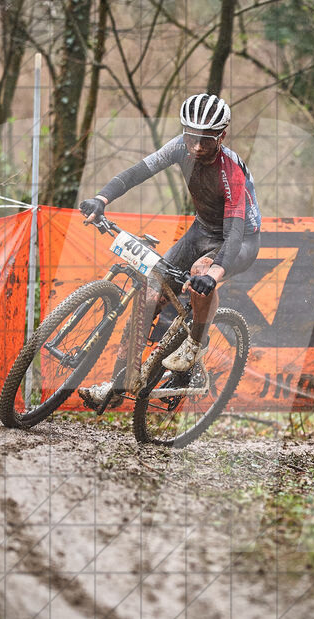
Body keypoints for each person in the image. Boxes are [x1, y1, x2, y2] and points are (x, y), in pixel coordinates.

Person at [77, 93, 261, 409]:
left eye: (206, 139)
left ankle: (195, 344)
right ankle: (118, 384)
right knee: (149, 297)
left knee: (203, 275)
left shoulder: (231, 170)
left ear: (222, 136)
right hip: (201, 229)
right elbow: (138, 172)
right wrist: (101, 199)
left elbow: (232, 233)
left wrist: (214, 274)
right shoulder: (179, 146)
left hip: (238, 239)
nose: (197, 146)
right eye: (192, 137)